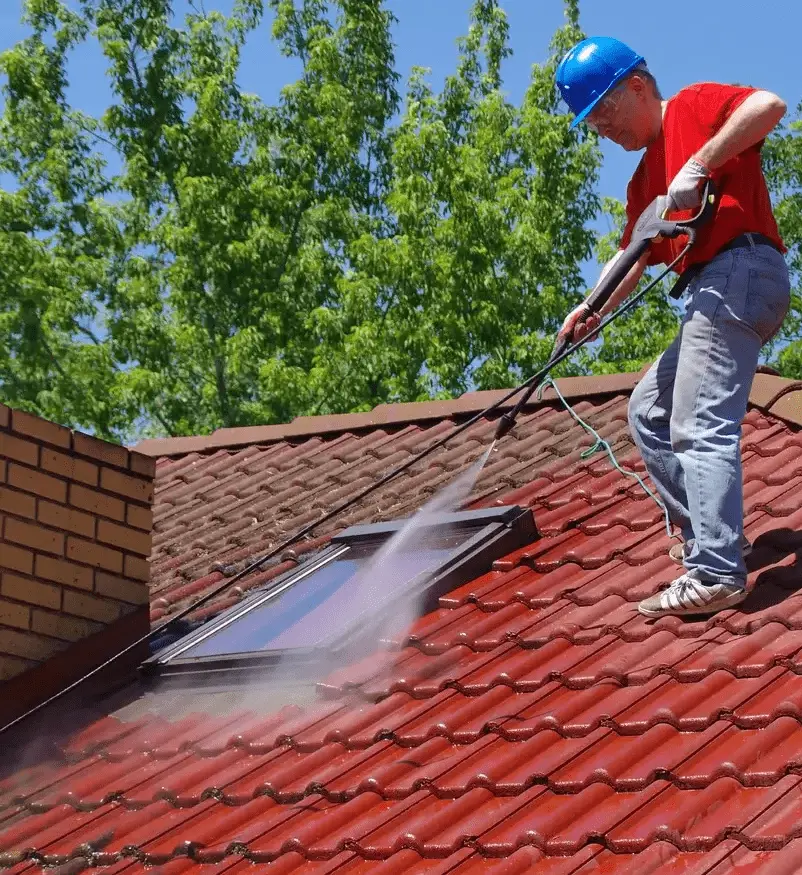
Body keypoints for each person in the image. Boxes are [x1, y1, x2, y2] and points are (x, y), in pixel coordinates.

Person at [554, 37, 790, 618]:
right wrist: (591, 307)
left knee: (697, 419)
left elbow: (770, 104)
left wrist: (701, 163)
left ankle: (716, 571)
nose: (602, 131)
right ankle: (711, 541)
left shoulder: (691, 105)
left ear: (637, 85)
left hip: (741, 268)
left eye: (603, 113)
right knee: (649, 412)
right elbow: (634, 255)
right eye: (592, 124)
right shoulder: (642, 184)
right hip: (714, 288)